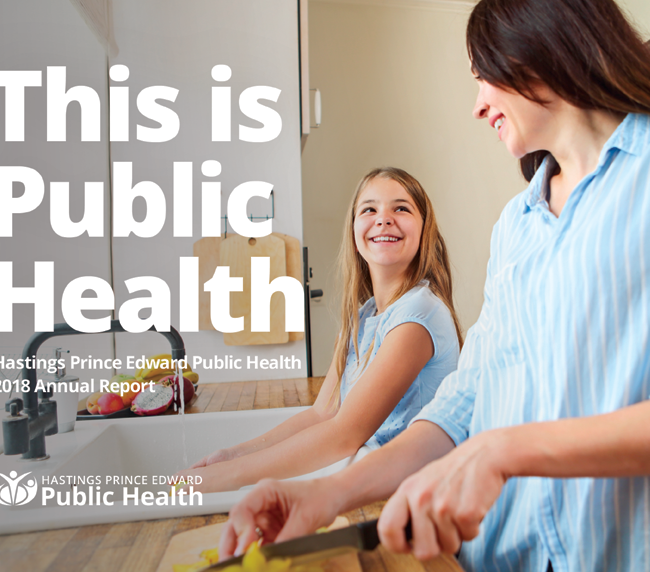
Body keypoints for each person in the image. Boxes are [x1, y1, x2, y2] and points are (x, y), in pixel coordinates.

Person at [217, 0, 650, 570]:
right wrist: (325, 495)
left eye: (482, 76)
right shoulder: (516, 228)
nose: (478, 106)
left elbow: (478, 437)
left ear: (538, 47)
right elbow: (462, 407)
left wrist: (505, 450)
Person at [176, 167, 462, 493]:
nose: (383, 219)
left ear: (424, 230)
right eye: (369, 209)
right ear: (354, 233)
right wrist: (230, 456)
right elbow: (322, 414)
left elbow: (345, 433)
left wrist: (227, 478)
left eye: (401, 208)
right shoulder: (363, 316)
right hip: (382, 482)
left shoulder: (417, 314)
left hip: (420, 494)